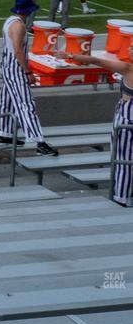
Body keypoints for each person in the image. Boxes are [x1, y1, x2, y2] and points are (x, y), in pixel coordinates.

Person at [64, 49, 133, 206]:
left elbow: (97, 60)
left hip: (125, 121)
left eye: (132, 47)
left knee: (123, 161)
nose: (128, 49)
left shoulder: (128, 69)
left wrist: (70, 55)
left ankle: (121, 197)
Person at [0, 0, 59, 156]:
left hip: (7, 66)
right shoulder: (19, 26)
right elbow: (17, 51)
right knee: (26, 105)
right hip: (16, 69)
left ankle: (4, 134)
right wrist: (28, 71)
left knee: (7, 99)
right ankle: (39, 142)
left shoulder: (9, 21)